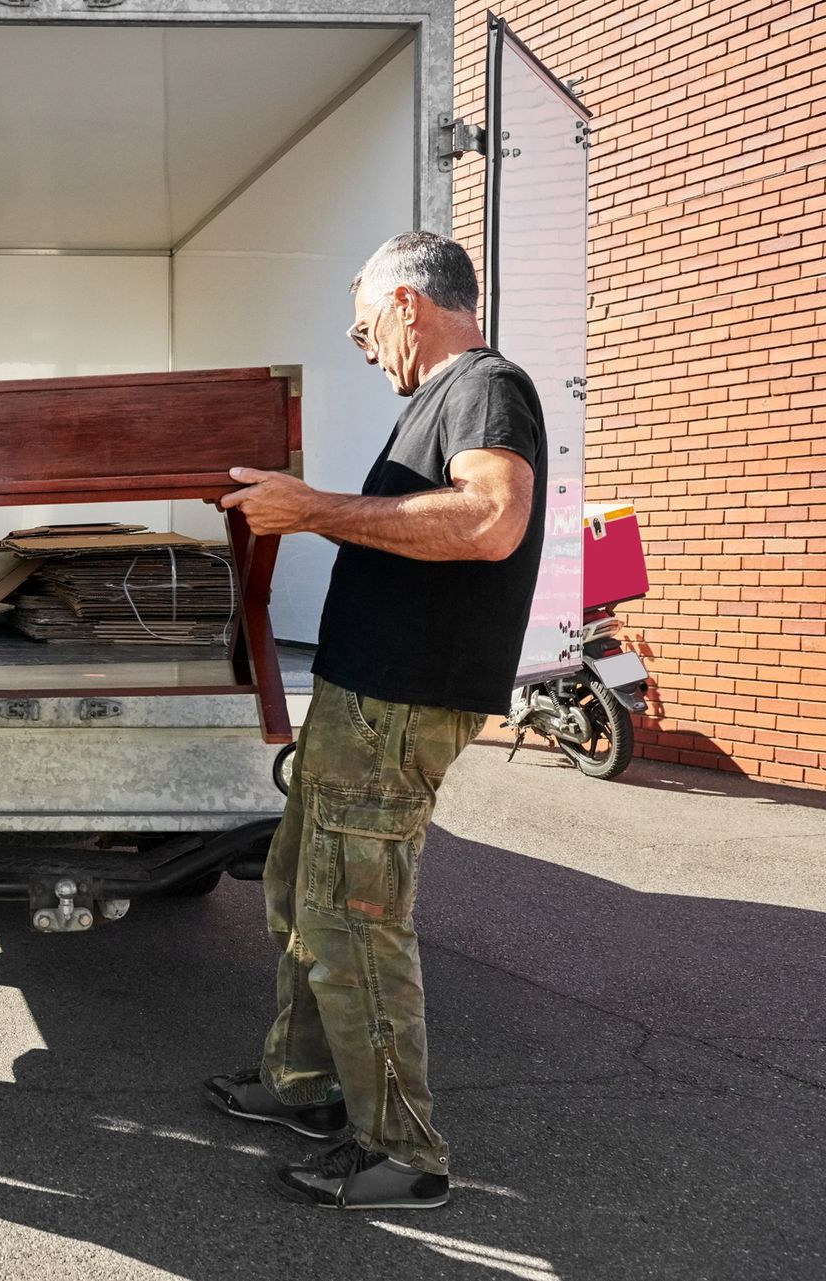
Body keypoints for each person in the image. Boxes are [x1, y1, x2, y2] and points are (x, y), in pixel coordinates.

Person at [204, 231, 547, 1210]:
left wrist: (313, 510)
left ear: (407, 302)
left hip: (401, 701)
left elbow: (490, 520)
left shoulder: (487, 386)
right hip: (361, 694)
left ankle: (404, 1152)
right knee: (295, 894)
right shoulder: (441, 401)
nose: (363, 349)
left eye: (365, 330)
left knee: (355, 923)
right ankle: (304, 1084)